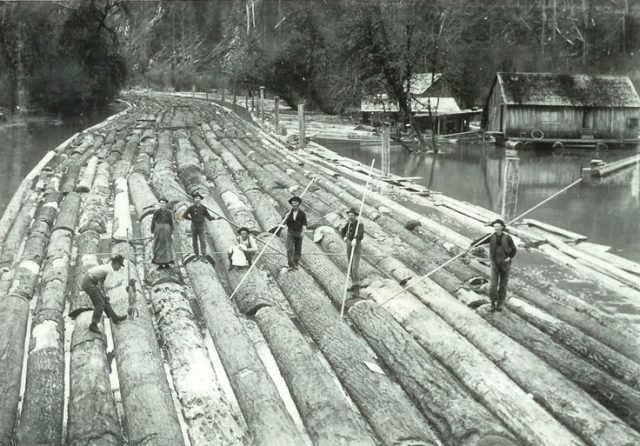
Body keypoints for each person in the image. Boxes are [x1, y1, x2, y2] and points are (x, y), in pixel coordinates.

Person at [470, 218, 517, 312]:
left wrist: (509, 257)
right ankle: (492, 302)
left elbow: (514, 249)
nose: (497, 228)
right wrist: (471, 245)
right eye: (495, 226)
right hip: (495, 263)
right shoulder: (491, 236)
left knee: (503, 285)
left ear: (502, 227)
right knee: (493, 284)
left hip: (505, 264)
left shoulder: (507, 237)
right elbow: (479, 241)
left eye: (498, 226)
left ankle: (500, 303)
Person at [81, 255, 128, 334]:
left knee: (104, 300)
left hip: (89, 281)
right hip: (88, 282)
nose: (120, 268)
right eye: (120, 266)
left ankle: (114, 318)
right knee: (100, 303)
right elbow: (107, 285)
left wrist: (105, 294)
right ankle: (93, 324)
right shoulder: (110, 270)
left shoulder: (107, 267)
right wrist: (117, 284)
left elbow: (102, 284)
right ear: (116, 264)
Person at [183, 192, 216, 256]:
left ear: (200, 199)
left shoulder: (203, 208)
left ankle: (203, 255)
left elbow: (208, 217)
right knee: (194, 242)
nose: (197, 199)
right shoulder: (191, 208)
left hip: (201, 226)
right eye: (196, 198)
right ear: (194, 199)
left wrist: (215, 218)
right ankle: (196, 255)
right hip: (194, 226)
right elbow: (184, 216)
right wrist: (191, 219)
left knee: (203, 241)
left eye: (198, 198)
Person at [341, 208, 364, 293]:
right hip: (349, 243)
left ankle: (357, 285)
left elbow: (361, 234)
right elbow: (343, 230)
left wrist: (355, 239)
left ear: (355, 216)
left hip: (356, 244)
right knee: (350, 265)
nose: (350, 217)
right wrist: (344, 236)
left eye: (352, 215)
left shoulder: (359, 224)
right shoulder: (349, 223)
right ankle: (353, 284)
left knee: (355, 266)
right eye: (349, 215)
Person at [151, 197, 175, 269]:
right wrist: (152, 231)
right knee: (158, 245)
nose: (162, 205)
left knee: (167, 245)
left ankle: (167, 263)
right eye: (161, 203)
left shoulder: (169, 212)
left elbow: (171, 223)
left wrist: (172, 233)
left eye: (164, 203)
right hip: (158, 229)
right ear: (159, 204)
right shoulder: (157, 212)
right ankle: (160, 263)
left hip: (167, 229)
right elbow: (153, 222)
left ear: (166, 204)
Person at [284, 196, 307, 270]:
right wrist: (286, 217)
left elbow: (304, 224)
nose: (294, 204)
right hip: (290, 232)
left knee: (298, 249)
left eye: (295, 203)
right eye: (292, 203)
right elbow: (283, 222)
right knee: (289, 249)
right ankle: (291, 264)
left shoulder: (302, 214)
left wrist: (302, 232)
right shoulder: (288, 213)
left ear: (298, 204)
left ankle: (296, 263)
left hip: (299, 233)